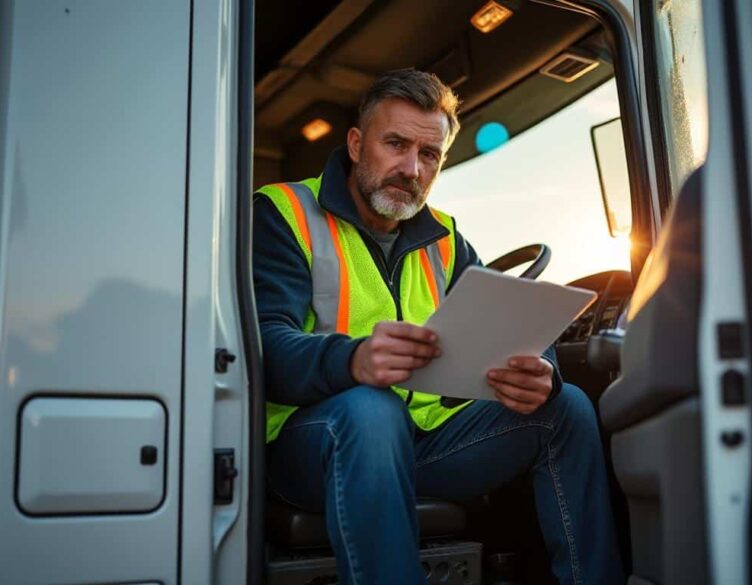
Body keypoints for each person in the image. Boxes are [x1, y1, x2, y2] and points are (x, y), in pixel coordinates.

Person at [253, 68, 622, 584]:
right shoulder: (284, 211)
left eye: (429, 155)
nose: (411, 169)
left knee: (565, 408)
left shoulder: (446, 237)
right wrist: (353, 359)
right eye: (396, 144)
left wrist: (541, 372)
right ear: (357, 145)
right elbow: (263, 345)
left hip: (420, 442)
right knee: (370, 407)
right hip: (310, 448)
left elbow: (505, 328)